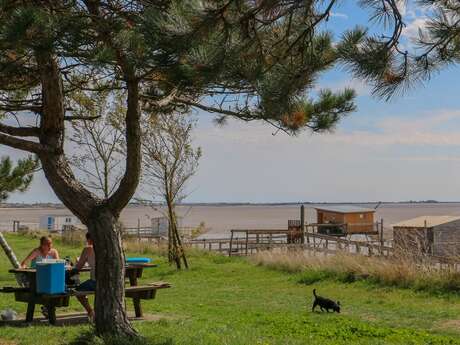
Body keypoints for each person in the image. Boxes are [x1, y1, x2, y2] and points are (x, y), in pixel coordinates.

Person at [73, 232, 95, 320]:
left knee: (77, 291)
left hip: (95, 282)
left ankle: (90, 311)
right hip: (111, 282)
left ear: (89, 240)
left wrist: (76, 264)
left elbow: (78, 267)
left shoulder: (88, 249)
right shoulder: (108, 248)